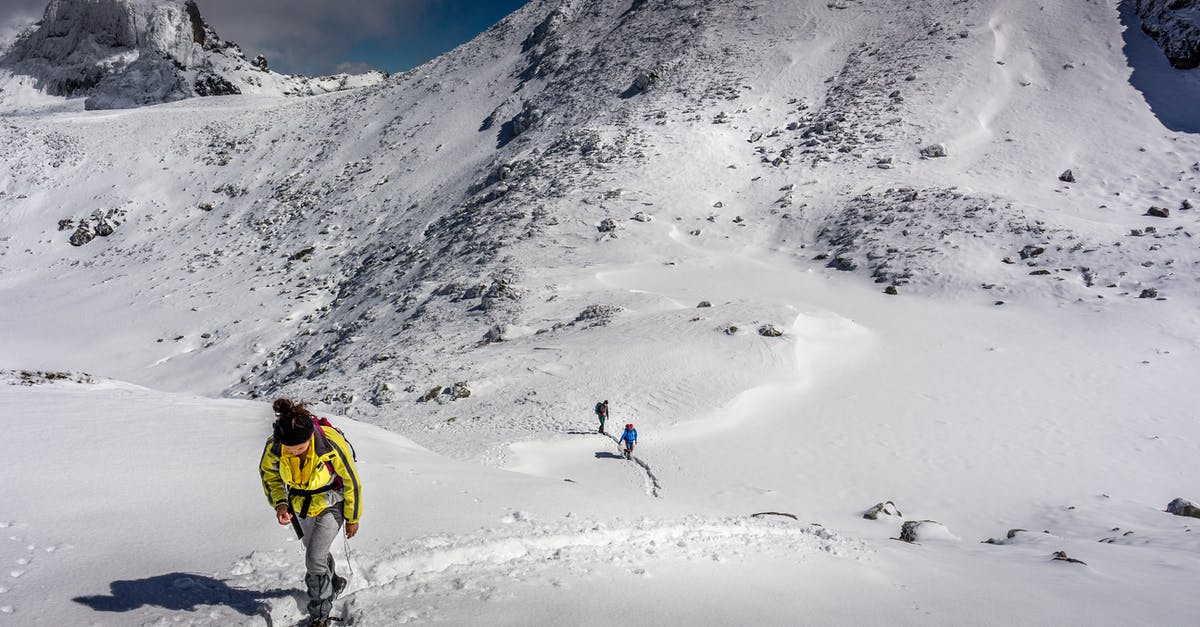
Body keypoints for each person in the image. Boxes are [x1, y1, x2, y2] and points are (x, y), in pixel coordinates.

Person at [259, 398, 362, 627]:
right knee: (316, 553)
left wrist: (353, 518)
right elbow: (270, 476)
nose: (296, 453)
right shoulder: (275, 446)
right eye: (291, 450)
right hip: (300, 505)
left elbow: (351, 482)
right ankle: (333, 582)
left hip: (332, 504)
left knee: (314, 558)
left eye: (301, 448)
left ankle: (320, 615)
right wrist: (280, 504)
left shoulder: (330, 445)